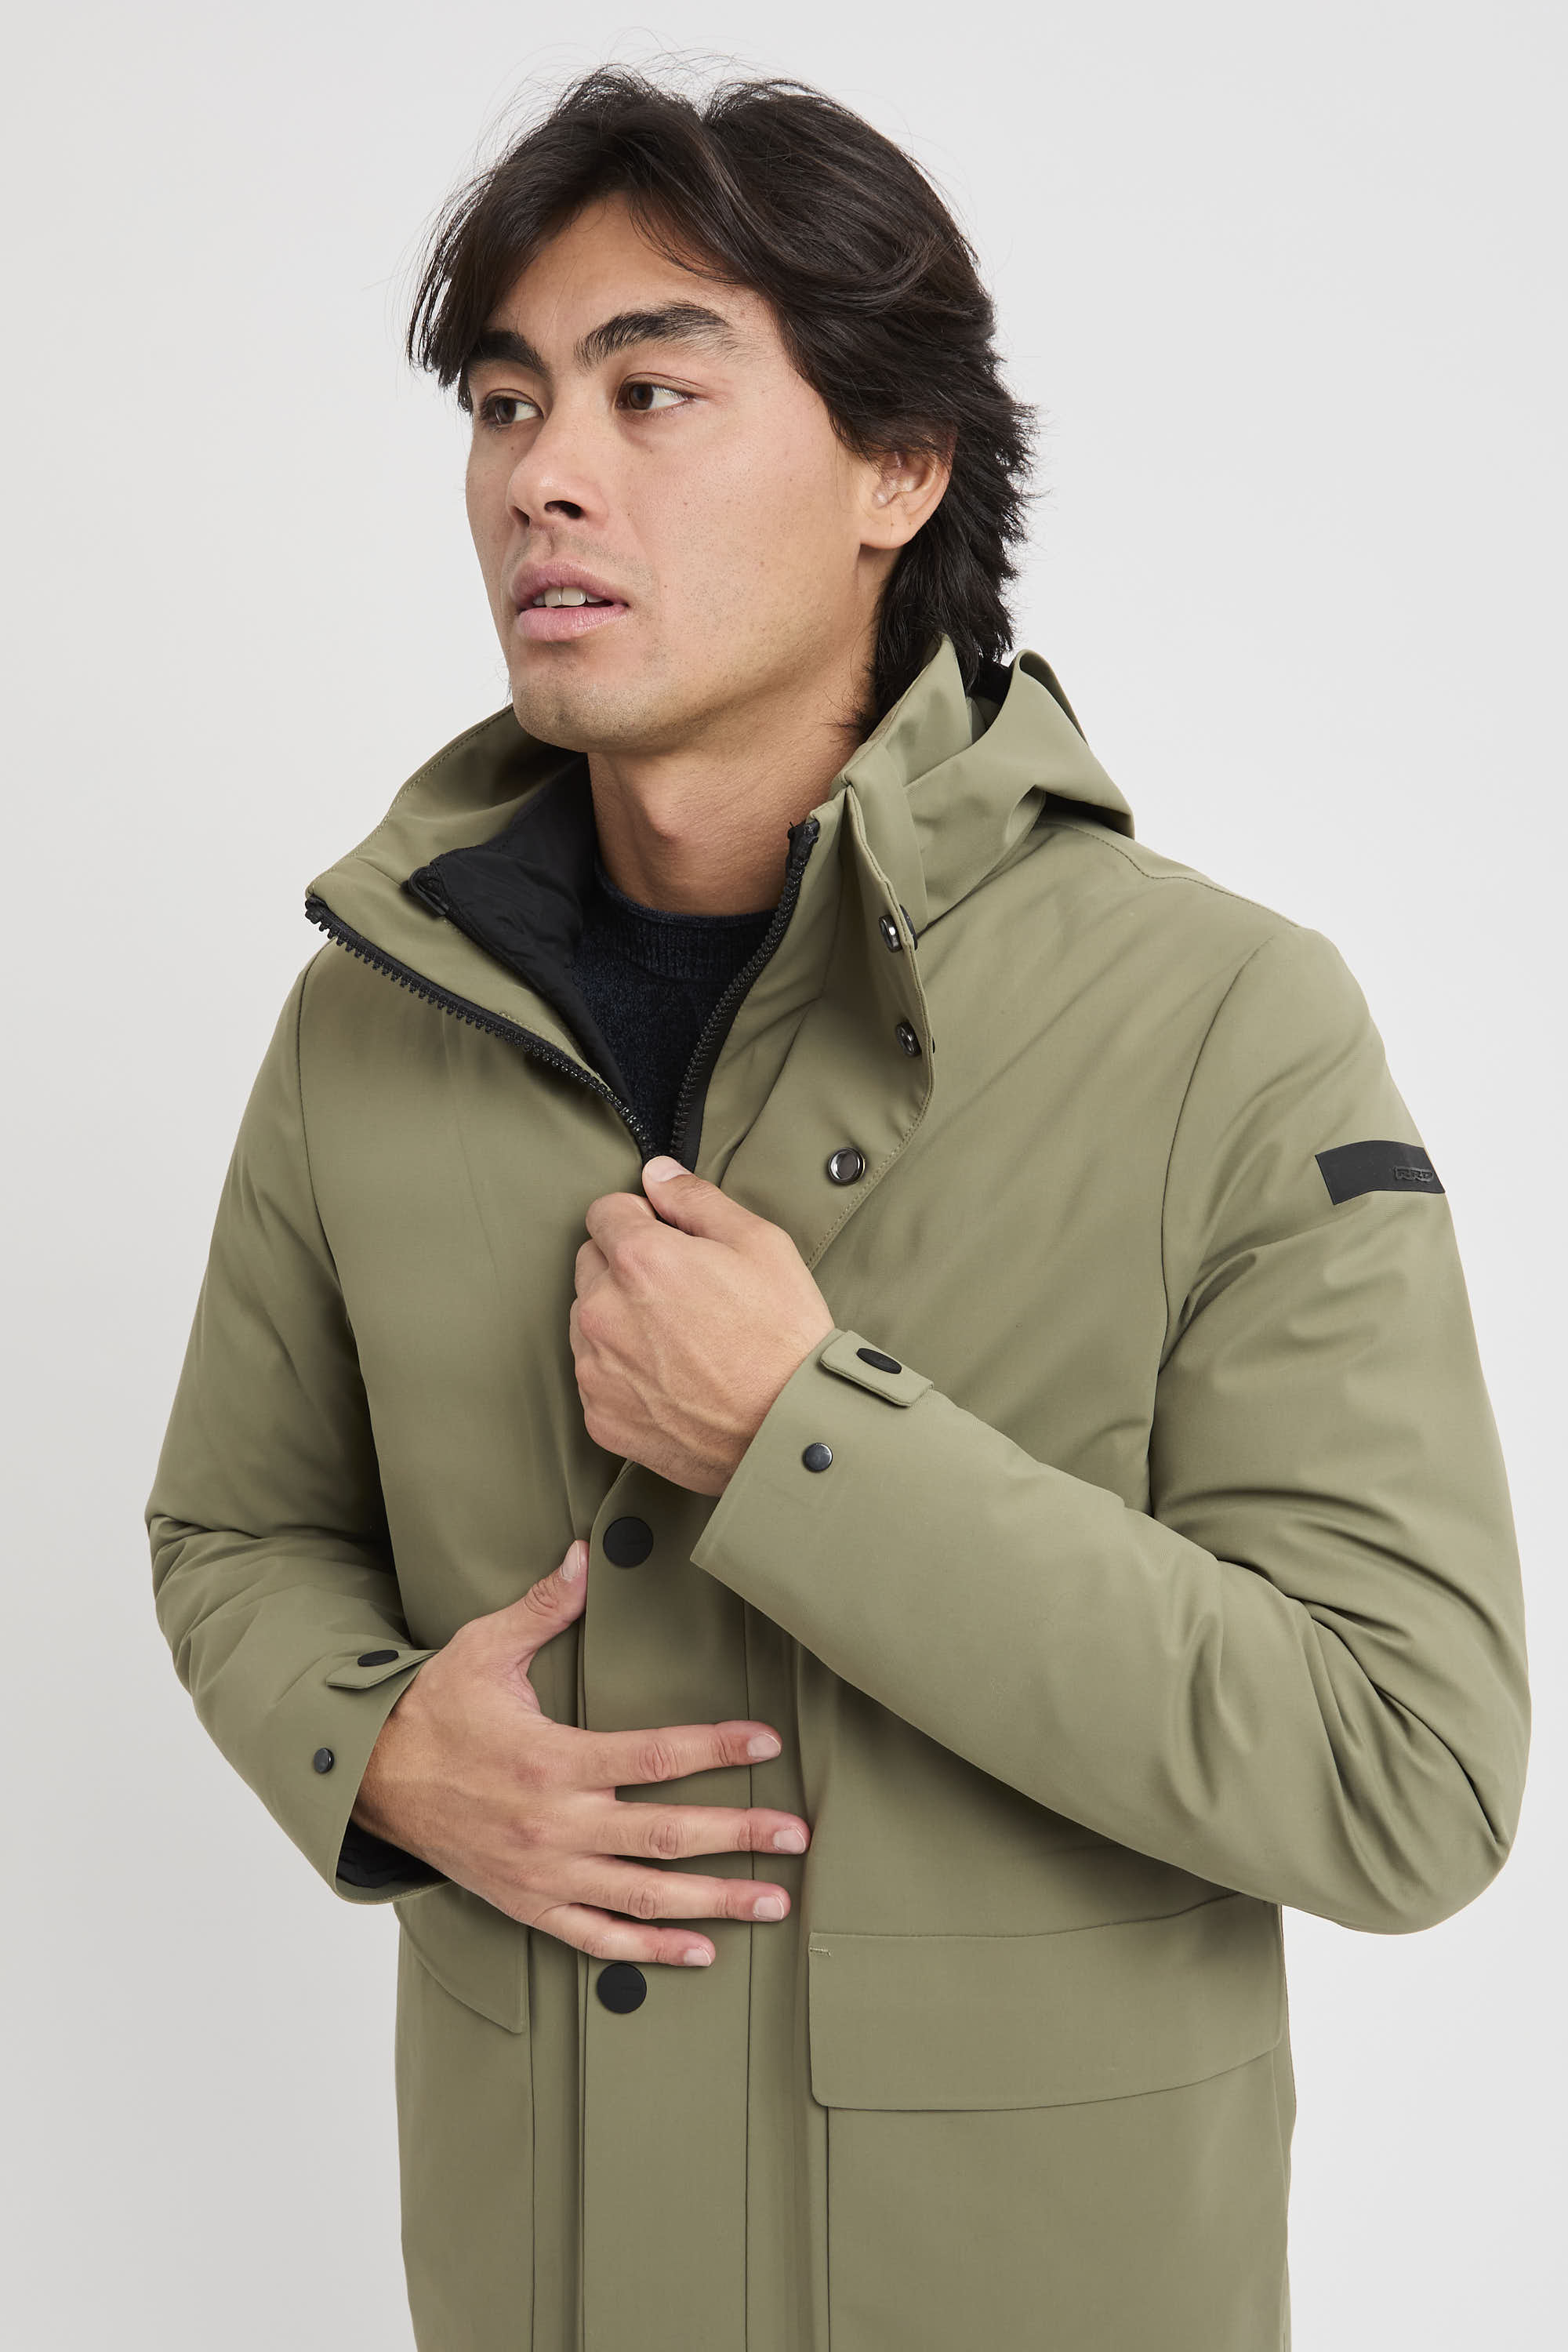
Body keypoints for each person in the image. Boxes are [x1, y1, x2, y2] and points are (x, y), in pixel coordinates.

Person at [145, 62, 1530, 2352]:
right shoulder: (373, 1024)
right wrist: (375, 1746)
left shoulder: (1227, 1025)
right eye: (504, 403)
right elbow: (233, 1531)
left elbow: (1407, 1769)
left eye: (650, 390)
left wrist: (803, 1436)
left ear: (901, 465)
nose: (542, 474)